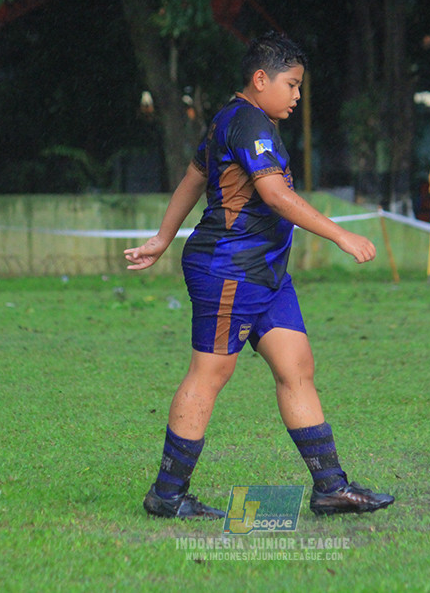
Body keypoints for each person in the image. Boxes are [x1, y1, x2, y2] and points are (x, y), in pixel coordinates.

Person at [124, 32, 395, 519]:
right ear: (260, 79)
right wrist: (340, 236)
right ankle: (166, 494)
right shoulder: (249, 122)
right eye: (291, 85)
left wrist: (163, 238)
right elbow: (275, 196)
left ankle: (331, 487)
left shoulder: (237, 118)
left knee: (297, 366)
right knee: (210, 373)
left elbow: (193, 176)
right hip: (229, 267)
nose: (296, 96)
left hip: (265, 272)